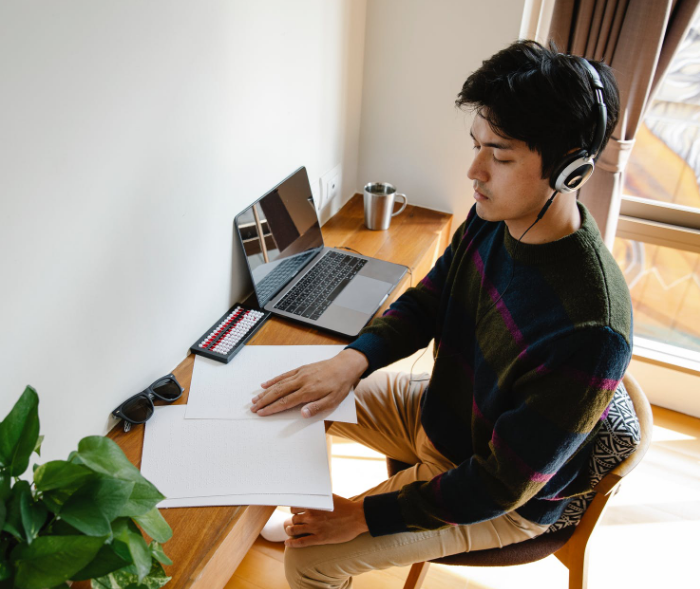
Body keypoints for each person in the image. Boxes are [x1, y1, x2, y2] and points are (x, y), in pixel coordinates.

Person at [249, 40, 632, 589]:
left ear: (571, 171)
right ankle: (304, 513)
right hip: (443, 414)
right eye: (476, 146)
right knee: (293, 393)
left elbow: (502, 485)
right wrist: (351, 362)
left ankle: (314, 532)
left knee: (307, 563)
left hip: (498, 488)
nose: (474, 171)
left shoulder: (591, 330)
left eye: (500, 156)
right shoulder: (494, 215)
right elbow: (429, 300)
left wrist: (361, 515)